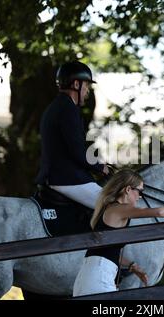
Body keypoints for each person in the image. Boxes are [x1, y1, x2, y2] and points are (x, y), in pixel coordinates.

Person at [72, 169, 164, 297]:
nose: (139, 196)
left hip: (90, 276)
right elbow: (159, 212)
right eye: (139, 191)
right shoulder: (120, 209)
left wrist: (132, 266)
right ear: (128, 189)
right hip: (99, 277)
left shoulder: (108, 208)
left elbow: (105, 252)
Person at [36, 61, 109, 209]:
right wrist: (100, 167)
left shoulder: (57, 106)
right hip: (68, 178)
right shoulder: (68, 109)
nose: (87, 91)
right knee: (114, 208)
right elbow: (77, 151)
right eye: (86, 85)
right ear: (76, 84)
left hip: (57, 175)